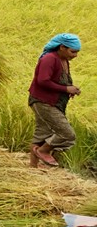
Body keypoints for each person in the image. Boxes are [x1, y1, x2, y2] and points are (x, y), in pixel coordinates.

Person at [28, 33, 82, 167]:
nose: (75, 55)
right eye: (73, 51)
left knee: (42, 132)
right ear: (62, 47)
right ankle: (43, 151)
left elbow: (58, 81)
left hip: (52, 102)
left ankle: (32, 168)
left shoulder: (64, 60)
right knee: (67, 134)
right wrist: (66, 89)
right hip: (44, 102)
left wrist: (71, 89)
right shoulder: (50, 59)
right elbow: (42, 81)